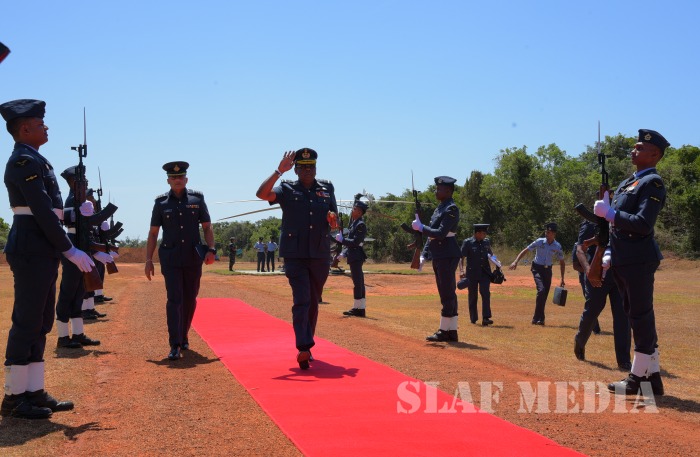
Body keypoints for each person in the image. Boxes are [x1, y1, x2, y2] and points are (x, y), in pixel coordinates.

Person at [1, 99, 94, 419]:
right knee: (27, 321)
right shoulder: (23, 161)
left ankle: (34, 390)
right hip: (31, 247)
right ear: (25, 129)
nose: (46, 127)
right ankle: (14, 397)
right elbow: (41, 210)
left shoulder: (36, 159)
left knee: (41, 322)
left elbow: (52, 212)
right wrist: (69, 248)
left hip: (41, 248)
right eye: (41, 124)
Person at [594, 129, 669, 396]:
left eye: (640, 148)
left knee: (639, 316)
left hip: (638, 259)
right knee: (636, 315)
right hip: (624, 258)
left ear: (655, 154)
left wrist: (610, 213)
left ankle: (636, 379)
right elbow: (617, 227)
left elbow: (642, 224)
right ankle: (653, 378)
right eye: (634, 147)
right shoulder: (630, 182)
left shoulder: (652, 183)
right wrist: (609, 250)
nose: (633, 151)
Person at [256, 148, 338, 369]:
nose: (307, 170)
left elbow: (334, 217)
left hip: (320, 254)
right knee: (302, 299)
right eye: (302, 167)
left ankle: (306, 347)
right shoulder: (286, 188)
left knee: (313, 301)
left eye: (311, 166)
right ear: (296, 170)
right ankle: (303, 346)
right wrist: (278, 171)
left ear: (316, 168)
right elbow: (262, 194)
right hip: (295, 255)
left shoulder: (326, 188)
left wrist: (333, 219)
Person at [145, 161, 216, 361]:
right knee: (174, 299)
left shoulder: (197, 199)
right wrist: (148, 259)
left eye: (180, 177)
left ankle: (183, 335)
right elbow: (153, 233)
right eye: (173, 177)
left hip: (193, 257)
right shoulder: (161, 203)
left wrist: (211, 249)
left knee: (190, 299)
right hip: (171, 258)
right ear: (168, 181)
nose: (177, 180)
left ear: (186, 179)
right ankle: (175, 344)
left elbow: (207, 227)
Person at [55, 166, 104, 348]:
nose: (86, 182)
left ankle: (78, 333)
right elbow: (66, 219)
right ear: (72, 182)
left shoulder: (80, 200)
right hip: (72, 245)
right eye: (82, 179)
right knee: (68, 291)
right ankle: (62, 336)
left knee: (79, 291)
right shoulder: (71, 199)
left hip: (81, 243)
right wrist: (80, 213)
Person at [573, 217, 631, 370]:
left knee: (623, 316)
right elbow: (580, 249)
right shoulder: (590, 223)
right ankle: (580, 341)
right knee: (592, 312)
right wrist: (588, 271)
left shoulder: (621, 220)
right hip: (596, 275)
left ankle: (624, 360)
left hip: (619, 274)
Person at [412, 176, 461, 342]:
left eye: (439, 189)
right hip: (440, 253)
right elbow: (431, 235)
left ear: (448, 191)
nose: (436, 191)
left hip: (447, 253)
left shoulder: (451, 209)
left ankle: (444, 330)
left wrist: (421, 227)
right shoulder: (440, 208)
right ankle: (452, 330)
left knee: (447, 292)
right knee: (447, 291)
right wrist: (424, 255)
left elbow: (440, 233)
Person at [509, 222, 565, 325]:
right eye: (546, 232)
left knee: (544, 295)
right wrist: (516, 261)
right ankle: (537, 318)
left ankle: (540, 319)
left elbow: (562, 262)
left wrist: (562, 278)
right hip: (537, 269)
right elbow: (526, 250)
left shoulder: (557, 246)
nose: (546, 234)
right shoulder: (540, 242)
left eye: (549, 232)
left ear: (554, 234)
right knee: (541, 290)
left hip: (548, 270)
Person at [336, 200, 369, 317]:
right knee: (359, 282)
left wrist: (342, 240)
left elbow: (355, 242)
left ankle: (358, 308)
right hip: (353, 255)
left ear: (359, 212)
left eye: (354, 209)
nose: (352, 210)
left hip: (356, 256)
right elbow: (351, 244)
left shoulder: (360, 225)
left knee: (358, 282)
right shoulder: (354, 224)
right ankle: (360, 308)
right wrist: (344, 253)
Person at [459, 223, 496, 326]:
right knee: (473, 295)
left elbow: (491, 255)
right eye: (484, 233)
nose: (485, 235)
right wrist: (461, 270)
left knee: (486, 293)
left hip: (485, 272)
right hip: (472, 273)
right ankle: (473, 318)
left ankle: (486, 318)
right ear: (477, 233)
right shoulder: (468, 242)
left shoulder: (486, 242)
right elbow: (461, 258)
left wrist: (497, 263)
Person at [572, 221, 601, 335]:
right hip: (585, 277)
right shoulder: (577, 246)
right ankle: (595, 328)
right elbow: (575, 266)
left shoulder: (598, 245)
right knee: (591, 303)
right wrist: (589, 271)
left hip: (600, 275)